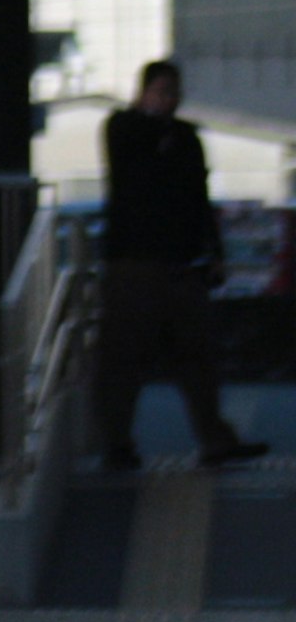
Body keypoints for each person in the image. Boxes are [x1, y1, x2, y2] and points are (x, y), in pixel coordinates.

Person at [97, 58, 269, 472]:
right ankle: (117, 443)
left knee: (198, 356)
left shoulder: (186, 139)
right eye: (161, 91)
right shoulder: (124, 128)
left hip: (180, 262)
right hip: (135, 262)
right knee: (124, 358)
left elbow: (198, 197)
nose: (168, 100)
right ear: (143, 93)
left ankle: (215, 440)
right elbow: (136, 157)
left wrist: (213, 251)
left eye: (173, 92)